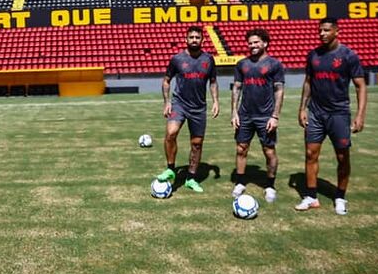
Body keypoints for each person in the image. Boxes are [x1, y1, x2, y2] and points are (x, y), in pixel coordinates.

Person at [297, 18, 367, 215]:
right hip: (316, 113)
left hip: (339, 114)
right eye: (320, 30)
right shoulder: (313, 55)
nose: (322, 34)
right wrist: (302, 108)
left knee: (342, 157)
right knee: (310, 154)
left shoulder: (349, 55)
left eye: (326, 30)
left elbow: (360, 86)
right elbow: (308, 82)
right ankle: (311, 197)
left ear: (337, 31)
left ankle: (340, 197)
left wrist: (360, 116)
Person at [155, 25, 219, 192]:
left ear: (202, 40)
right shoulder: (177, 59)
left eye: (197, 37)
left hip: (199, 108)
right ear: (186, 39)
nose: (194, 40)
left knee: (196, 144)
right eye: (191, 37)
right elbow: (166, 80)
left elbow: (213, 82)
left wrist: (216, 102)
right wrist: (167, 102)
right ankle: (170, 169)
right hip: (179, 104)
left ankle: (191, 178)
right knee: (171, 133)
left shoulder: (208, 59)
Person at [230, 28, 285, 202]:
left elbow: (279, 90)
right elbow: (237, 88)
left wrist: (275, 116)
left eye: (256, 42)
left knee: (269, 151)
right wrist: (234, 112)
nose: (252, 45)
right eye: (250, 43)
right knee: (241, 149)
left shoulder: (274, 64)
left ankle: (270, 185)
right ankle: (240, 182)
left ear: (265, 43)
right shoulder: (242, 64)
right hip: (245, 115)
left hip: (265, 116)